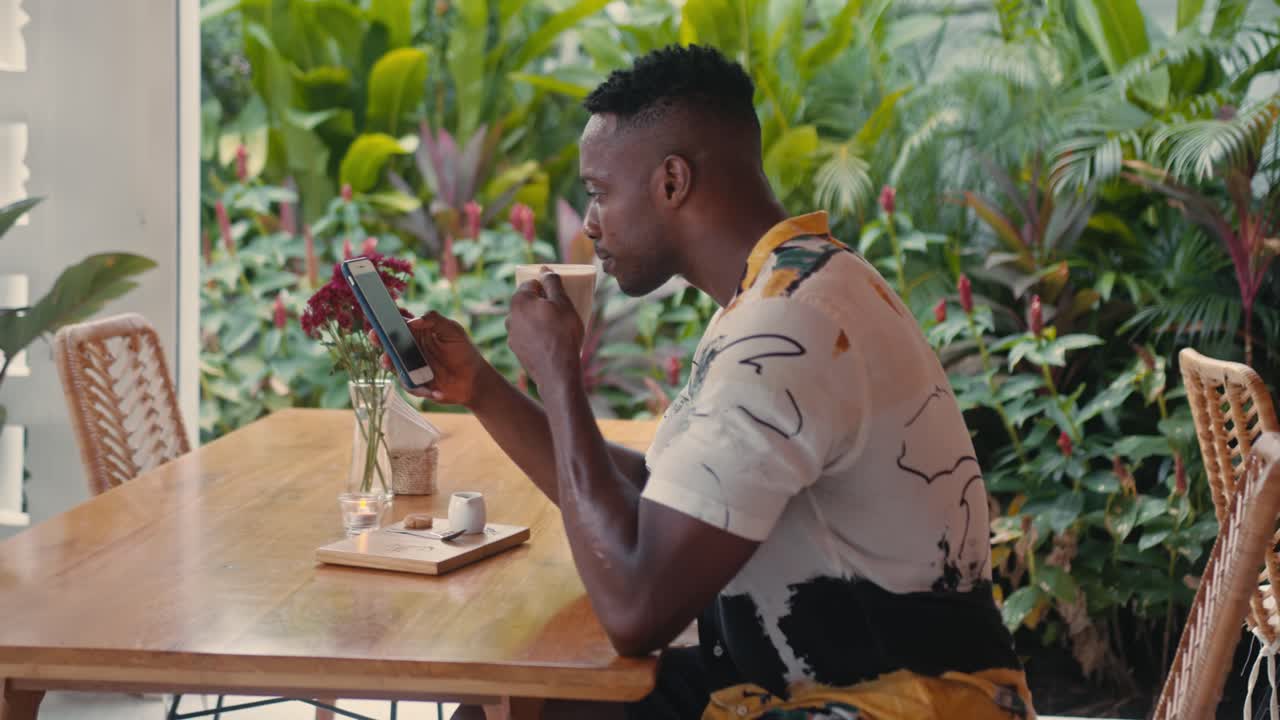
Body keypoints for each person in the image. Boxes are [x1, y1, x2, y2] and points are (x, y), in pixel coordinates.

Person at [392, 44, 1033, 720]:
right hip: (816, 684)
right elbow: (658, 504)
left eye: (599, 192)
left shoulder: (786, 330)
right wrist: (484, 389)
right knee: (513, 706)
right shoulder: (789, 286)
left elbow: (637, 611)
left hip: (890, 706)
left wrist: (559, 374)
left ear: (671, 182)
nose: (590, 223)